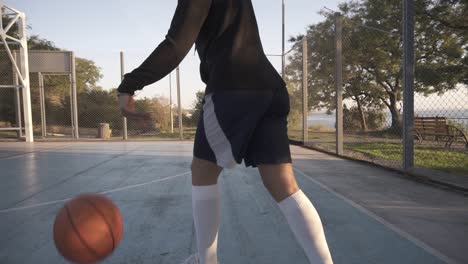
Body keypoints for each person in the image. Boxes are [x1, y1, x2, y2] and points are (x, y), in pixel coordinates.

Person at [117, 1, 334, 263]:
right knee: (283, 184)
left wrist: (129, 85)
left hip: (233, 88)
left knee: (203, 171)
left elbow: (176, 46)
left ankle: (207, 261)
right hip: (270, 88)